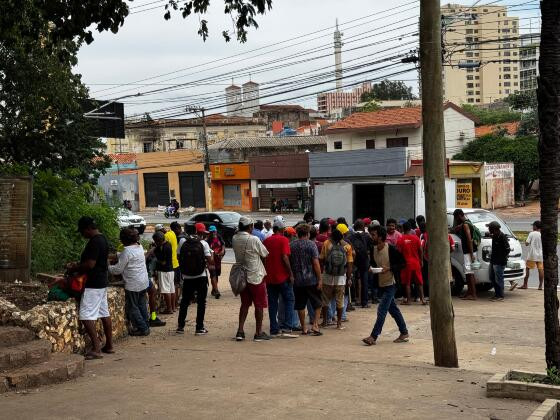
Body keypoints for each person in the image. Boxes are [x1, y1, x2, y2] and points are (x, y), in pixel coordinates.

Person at [67, 217, 113, 360]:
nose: (82, 235)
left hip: (93, 284)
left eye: (82, 231)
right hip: (102, 282)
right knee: (104, 313)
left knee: (86, 316)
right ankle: (109, 345)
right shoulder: (103, 239)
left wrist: (74, 267)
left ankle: (96, 348)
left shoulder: (94, 242)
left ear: (87, 228)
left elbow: (90, 264)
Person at [362, 225, 409, 346]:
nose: (371, 237)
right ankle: (404, 332)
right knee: (393, 310)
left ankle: (373, 336)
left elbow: (403, 263)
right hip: (381, 284)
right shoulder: (373, 249)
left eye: (374, 235)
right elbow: (372, 264)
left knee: (381, 309)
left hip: (391, 283)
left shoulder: (391, 249)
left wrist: (390, 268)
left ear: (381, 236)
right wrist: (371, 269)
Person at [233, 217, 271, 342]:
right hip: (255, 276)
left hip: (242, 276)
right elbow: (265, 254)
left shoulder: (235, 238)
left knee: (244, 304)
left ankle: (240, 331)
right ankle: (258, 332)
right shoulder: (254, 239)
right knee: (259, 305)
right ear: (249, 227)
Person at [109, 228, 150, 336]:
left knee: (133, 307)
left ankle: (143, 328)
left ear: (124, 240)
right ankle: (146, 325)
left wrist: (108, 267)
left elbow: (118, 269)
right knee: (142, 305)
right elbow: (125, 255)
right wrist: (117, 255)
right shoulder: (139, 246)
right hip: (143, 281)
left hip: (133, 283)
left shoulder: (127, 251)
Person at [177, 223, 214, 334]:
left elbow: (179, 256)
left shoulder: (183, 241)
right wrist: (211, 254)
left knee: (185, 301)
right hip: (200, 276)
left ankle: (180, 327)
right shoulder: (203, 243)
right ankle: (199, 327)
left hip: (187, 276)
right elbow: (210, 261)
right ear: (200, 232)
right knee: (201, 302)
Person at [263, 219, 296, 337]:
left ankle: (274, 328)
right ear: (282, 230)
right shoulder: (284, 240)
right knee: (289, 300)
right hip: (282, 277)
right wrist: (291, 273)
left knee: (273, 303)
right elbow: (285, 257)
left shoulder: (266, 241)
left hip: (270, 277)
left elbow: (263, 258)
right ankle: (287, 326)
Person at [290, 224, 323, 336]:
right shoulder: (311, 245)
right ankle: (315, 325)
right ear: (308, 234)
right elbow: (316, 263)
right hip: (311, 279)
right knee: (318, 303)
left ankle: (303, 327)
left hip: (298, 280)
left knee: (300, 305)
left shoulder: (292, 245)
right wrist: (320, 279)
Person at [320, 228, 353, 329]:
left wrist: (325, 269)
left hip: (328, 276)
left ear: (331, 237)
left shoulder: (326, 243)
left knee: (325, 299)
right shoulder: (347, 246)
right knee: (340, 300)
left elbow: (321, 259)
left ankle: (325, 322)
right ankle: (339, 323)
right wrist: (349, 277)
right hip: (341, 277)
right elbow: (350, 263)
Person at [397, 222, 426, 305]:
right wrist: (421, 261)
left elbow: (399, 252)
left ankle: (409, 300)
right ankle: (423, 299)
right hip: (416, 263)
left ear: (403, 229)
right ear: (410, 229)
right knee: (419, 282)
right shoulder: (416, 238)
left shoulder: (401, 239)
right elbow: (420, 250)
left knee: (407, 283)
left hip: (406, 264)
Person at [453, 209, 477, 300]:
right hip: (468, 252)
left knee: (470, 273)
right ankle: (469, 292)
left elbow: (469, 239)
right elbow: (456, 229)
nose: (455, 220)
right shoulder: (466, 223)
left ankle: (473, 294)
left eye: (456, 218)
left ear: (459, 216)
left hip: (469, 252)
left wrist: (471, 254)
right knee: (468, 273)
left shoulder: (466, 225)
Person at [348, 219, 373, 308]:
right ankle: (364, 302)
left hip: (353, 260)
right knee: (364, 281)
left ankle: (352, 301)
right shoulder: (367, 236)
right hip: (364, 261)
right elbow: (371, 248)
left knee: (351, 279)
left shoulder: (350, 237)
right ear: (363, 227)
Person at [153, 231, 176, 313]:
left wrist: (155, 256)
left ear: (159, 240)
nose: (155, 243)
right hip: (170, 270)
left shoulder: (164, 248)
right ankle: (173, 308)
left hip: (164, 271)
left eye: (156, 241)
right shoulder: (168, 244)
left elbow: (163, 262)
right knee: (171, 289)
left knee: (166, 291)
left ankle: (169, 309)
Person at [487, 221, 511, 301]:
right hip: (493, 260)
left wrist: (502, 257)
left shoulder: (502, 237)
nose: (488, 229)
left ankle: (500, 295)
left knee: (499, 279)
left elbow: (507, 249)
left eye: (490, 228)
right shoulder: (495, 236)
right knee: (492, 277)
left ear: (494, 229)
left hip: (499, 262)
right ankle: (497, 294)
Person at [520, 220, 543, 290]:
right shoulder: (542, 234)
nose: (532, 227)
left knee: (527, 268)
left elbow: (527, 243)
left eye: (533, 225)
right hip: (540, 255)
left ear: (535, 226)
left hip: (532, 255)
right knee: (541, 269)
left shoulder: (531, 233)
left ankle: (525, 284)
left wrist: (525, 240)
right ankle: (540, 286)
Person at [206, 225, 225, 299]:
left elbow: (223, 244)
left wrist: (222, 251)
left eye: (214, 231)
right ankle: (216, 291)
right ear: (209, 233)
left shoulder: (219, 237)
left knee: (216, 275)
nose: (213, 233)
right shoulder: (208, 240)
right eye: (212, 232)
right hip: (211, 260)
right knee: (213, 274)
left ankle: (214, 289)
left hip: (218, 259)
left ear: (216, 231)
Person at [170, 221, 185, 306]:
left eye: (173, 230)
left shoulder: (179, 238)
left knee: (178, 283)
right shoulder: (185, 235)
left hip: (180, 263)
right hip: (185, 262)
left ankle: (179, 300)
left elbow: (177, 253)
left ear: (176, 229)